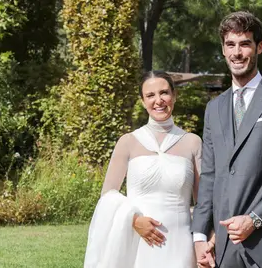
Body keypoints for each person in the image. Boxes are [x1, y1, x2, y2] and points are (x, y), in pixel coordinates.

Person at [191, 11, 262, 268]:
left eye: (245, 44)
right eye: (230, 44)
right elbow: (210, 175)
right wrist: (200, 235)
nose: (237, 52)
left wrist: (254, 219)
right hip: (223, 246)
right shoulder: (214, 109)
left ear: (259, 47)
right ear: (223, 49)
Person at [83, 71, 215, 268]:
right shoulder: (128, 142)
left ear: (174, 96)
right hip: (138, 242)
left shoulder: (192, 142)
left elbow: (203, 202)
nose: (158, 100)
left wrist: (206, 242)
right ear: (143, 101)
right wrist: (134, 220)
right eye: (150, 95)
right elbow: (108, 194)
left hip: (180, 244)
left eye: (164, 93)